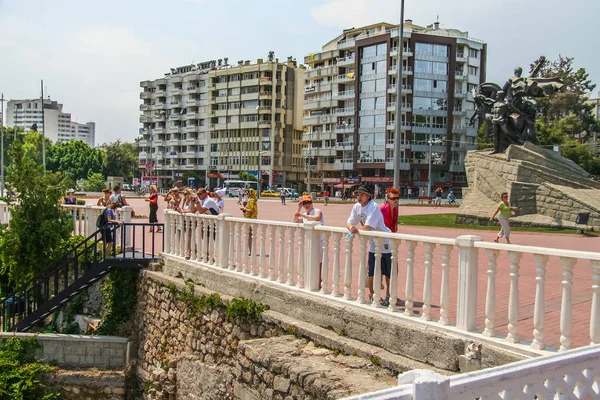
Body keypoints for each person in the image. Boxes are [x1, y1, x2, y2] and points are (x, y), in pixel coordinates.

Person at [346, 186, 392, 305]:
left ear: (368, 196)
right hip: (373, 242)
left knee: (388, 272)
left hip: (385, 241)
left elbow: (368, 226)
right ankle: (372, 295)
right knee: (371, 270)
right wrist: (352, 228)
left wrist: (356, 230)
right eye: (357, 195)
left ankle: (388, 296)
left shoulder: (373, 207)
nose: (359, 197)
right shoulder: (356, 207)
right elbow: (349, 222)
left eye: (362, 195)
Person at [294, 195, 325, 288]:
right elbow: (295, 220)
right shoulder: (305, 214)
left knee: (319, 263)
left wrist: (303, 215)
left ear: (312, 203)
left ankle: (320, 284)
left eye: (309, 202)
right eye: (305, 203)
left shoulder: (317, 211)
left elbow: (317, 218)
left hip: (319, 241)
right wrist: (298, 208)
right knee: (310, 263)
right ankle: (313, 284)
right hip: (309, 242)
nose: (307, 205)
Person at [177, 188, 197, 259]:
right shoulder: (184, 200)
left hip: (192, 221)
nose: (184, 195)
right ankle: (195, 248)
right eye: (183, 194)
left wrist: (183, 211)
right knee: (180, 233)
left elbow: (193, 210)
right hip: (185, 220)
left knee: (189, 236)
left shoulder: (193, 200)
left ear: (189, 194)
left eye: (185, 194)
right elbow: (179, 208)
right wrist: (182, 199)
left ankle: (188, 252)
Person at [240, 188, 258, 254]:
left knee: (250, 235)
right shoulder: (251, 200)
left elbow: (252, 210)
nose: (246, 194)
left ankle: (251, 250)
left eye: (247, 193)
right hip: (250, 219)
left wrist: (244, 209)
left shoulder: (251, 200)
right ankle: (251, 250)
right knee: (249, 235)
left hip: (251, 219)